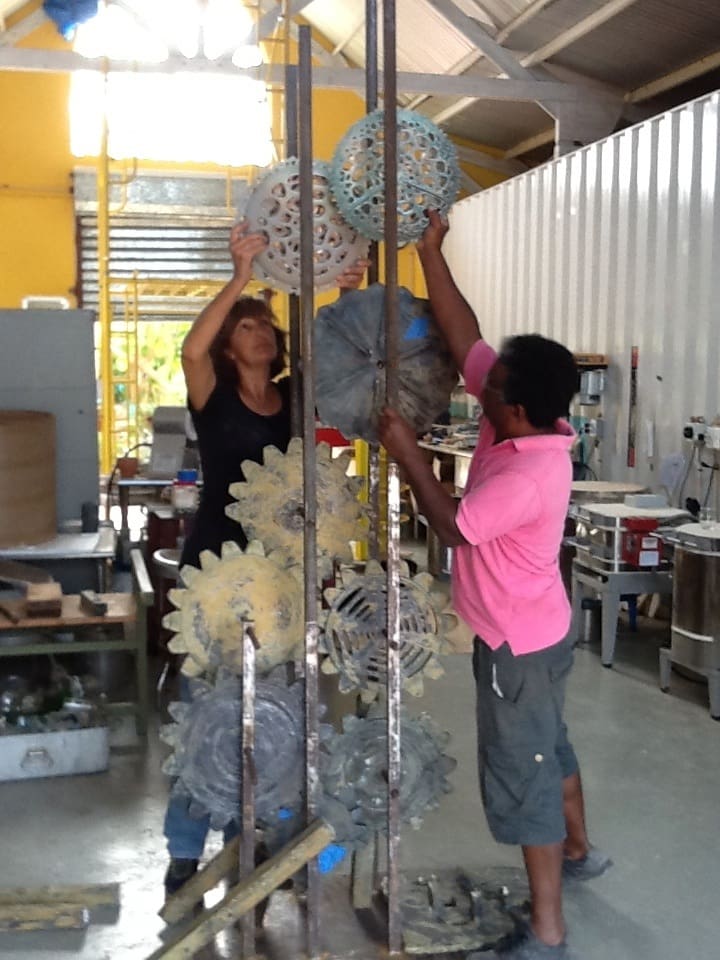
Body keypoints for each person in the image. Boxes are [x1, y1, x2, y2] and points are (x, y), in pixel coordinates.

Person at [378, 211, 610, 960]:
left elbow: (453, 527)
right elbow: (463, 335)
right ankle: (580, 851)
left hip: (518, 646)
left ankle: (548, 932)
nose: (477, 384)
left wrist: (407, 453)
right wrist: (429, 252)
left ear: (513, 406)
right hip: (542, 630)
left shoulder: (527, 473)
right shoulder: (519, 419)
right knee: (551, 748)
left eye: (491, 386)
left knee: (524, 774)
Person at [163, 221, 367, 901]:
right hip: (213, 573)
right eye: (246, 327)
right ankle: (183, 853)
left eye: (264, 326)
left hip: (278, 576)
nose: (259, 335)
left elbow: (339, 363)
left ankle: (247, 844)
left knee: (270, 714)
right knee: (205, 714)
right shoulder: (212, 395)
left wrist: (345, 295)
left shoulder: (294, 398)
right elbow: (190, 347)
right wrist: (240, 279)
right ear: (230, 345)